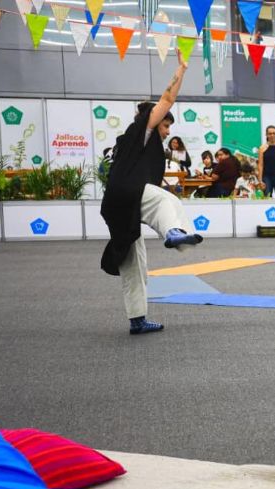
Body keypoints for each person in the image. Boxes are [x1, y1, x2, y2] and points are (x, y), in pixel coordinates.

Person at [100, 51, 203, 335]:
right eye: (166, 124)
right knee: (165, 199)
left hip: (118, 205)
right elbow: (167, 99)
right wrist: (181, 69)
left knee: (135, 263)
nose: (168, 130)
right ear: (152, 119)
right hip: (128, 195)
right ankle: (173, 234)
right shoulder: (140, 131)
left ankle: (137, 320)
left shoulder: (132, 142)